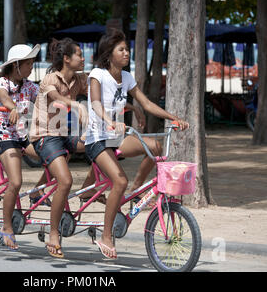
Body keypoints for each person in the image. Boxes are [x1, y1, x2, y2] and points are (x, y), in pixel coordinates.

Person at [85, 29, 189, 259]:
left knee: (155, 148)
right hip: (97, 139)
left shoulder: (128, 78)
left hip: (117, 137)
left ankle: (134, 192)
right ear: (109, 53)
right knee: (119, 180)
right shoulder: (97, 74)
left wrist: (174, 118)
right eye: (121, 49)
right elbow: (95, 103)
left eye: (127, 49)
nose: (126, 53)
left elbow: (147, 104)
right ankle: (106, 235)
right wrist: (110, 121)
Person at [29, 38, 93, 258]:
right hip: (46, 136)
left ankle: (91, 187)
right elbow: (56, 97)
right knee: (65, 181)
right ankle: (54, 234)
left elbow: (97, 93)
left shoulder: (78, 80)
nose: (83, 58)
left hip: (66, 134)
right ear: (67, 59)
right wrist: (76, 105)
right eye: (79, 55)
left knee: (103, 147)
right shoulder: (49, 79)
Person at [0, 44, 42, 250]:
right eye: (28, 63)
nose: (31, 66)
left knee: (56, 158)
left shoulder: (29, 86)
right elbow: (4, 97)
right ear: (16, 65)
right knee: (16, 181)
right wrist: (13, 108)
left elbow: (45, 98)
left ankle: (37, 192)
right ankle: (7, 227)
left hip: (22, 136)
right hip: (3, 137)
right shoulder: (0, 83)